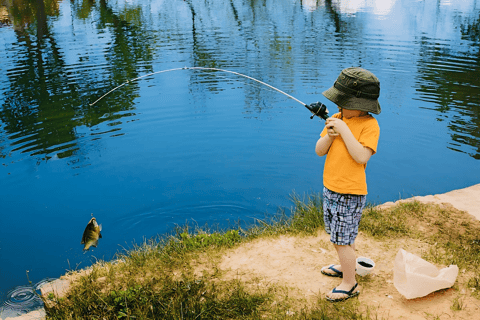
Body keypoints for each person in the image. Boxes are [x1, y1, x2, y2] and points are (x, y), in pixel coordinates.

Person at [315, 67, 381, 302]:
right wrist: (331, 135)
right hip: (330, 187)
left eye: (345, 102)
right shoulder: (339, 119)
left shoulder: (369, 125)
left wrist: (343, 131)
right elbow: (319, 151)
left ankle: (350, 283)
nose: (340, 107)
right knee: (338, 235)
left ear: (362, 104)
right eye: (339, 102)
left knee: (342, 239)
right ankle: (347, 266)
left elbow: (361, 156)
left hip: (350, 192)